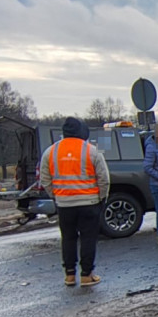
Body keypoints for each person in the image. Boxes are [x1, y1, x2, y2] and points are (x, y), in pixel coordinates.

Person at [40, 116, 110, 287]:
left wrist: (55, 195)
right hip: (89, 203)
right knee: (88, 238)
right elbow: (104, 179)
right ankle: (87, 275)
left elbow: (45, 178)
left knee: (68, 238)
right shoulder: (92, 151)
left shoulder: (51, 152)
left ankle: (69, 275)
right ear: (82, 132)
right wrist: (102, 197)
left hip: (64, 204)